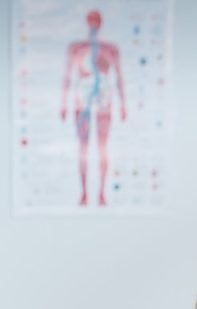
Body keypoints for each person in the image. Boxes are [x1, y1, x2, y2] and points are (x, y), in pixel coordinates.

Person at [60, 9, 126, 207]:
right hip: (82, 102)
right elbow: (67, 77)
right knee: (83, 148)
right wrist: (63, 103)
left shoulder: (110, 49)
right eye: (91, 20)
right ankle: (84, 193)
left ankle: (102, 193)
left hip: (104, 102)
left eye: (96, 20)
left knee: (102, 147)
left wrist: (123, 104)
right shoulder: (76, 49)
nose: (93, 24)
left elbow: (119, 78)